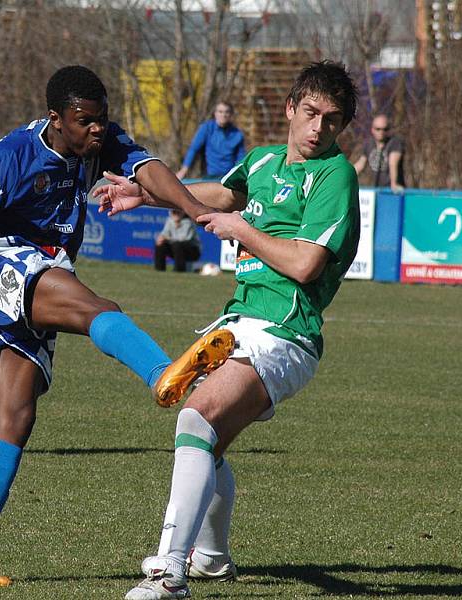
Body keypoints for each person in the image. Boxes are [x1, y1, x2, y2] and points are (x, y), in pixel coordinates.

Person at [0, 65, 232, 587]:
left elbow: (148, 169)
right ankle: (162, 374)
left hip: (38, 268)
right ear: (56, 119)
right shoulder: (11, 157)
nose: (98, 130)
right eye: (86, 121)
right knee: (94, 306)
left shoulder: (96, 141)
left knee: (15, 416)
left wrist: (192, 208)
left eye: (102, 120)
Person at [95, 60, 360, 600]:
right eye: (310, 113)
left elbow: (307, 264)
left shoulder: (335, 175)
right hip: (239, 321)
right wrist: (144, 196)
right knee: (207, 443)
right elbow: (221, 194)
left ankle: (170, 573)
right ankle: (211, 558)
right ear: (290, 109)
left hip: (286, 330)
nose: (318, 128)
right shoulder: (262, 160)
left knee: (195, 417)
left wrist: (243, 231)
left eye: (331, 121)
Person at [176, 102, 245, 180]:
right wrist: (183, 170)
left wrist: (240, 175)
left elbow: (241, 158)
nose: (223, 115)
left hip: (228, 177)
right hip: (210, 176)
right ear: (215, 113)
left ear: (231, 114)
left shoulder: (237, 134)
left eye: (227, 112)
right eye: (220, 112)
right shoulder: (207, 128)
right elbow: (194, 149)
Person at [353, 113, 405, 193]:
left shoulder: (394, 143)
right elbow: (360, 164)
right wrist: (346, 176)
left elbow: (393, 164)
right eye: (378, 129)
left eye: (385, 129)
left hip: (392, 191)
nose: (381, 132)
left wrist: (394, 184)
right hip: (376, 190)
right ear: (372, 130)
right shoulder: (368, 144)